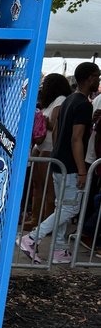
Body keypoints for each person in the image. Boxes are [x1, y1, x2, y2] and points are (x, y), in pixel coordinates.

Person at [20, 62, 100, 264]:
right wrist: (82, 170)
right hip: (71, 165)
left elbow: (56, 131)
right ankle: (32, 238)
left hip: (60, 161)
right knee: (70, 208)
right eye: (97, 76)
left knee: (62, 206)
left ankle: (59, 249)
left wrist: (58, 152)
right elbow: (76, 138)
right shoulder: (82, 104)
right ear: (90, 77)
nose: (99, 80)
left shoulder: (69, 101)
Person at [29, 73, 71, 226]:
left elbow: (56, 126)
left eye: (47, 83)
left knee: (48, 188)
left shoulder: (60, 101)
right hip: (40, 148)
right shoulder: (49, 102)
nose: (43, 86)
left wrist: (44, 122)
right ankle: (35, 218)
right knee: (37, 186)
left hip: (49, 149)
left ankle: (46, 220)